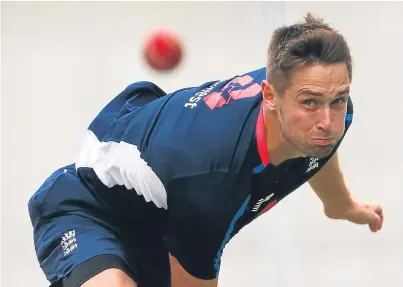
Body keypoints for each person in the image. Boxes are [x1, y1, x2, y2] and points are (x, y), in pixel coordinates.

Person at [28, 13, 383, 287]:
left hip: (163, 223)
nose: (329, 121)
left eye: (338, 99)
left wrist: (341, 205)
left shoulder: (325, 105)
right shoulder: (213, 179)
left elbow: (318, 148)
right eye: (310, 102)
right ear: (270, 95)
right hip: (91, 207)